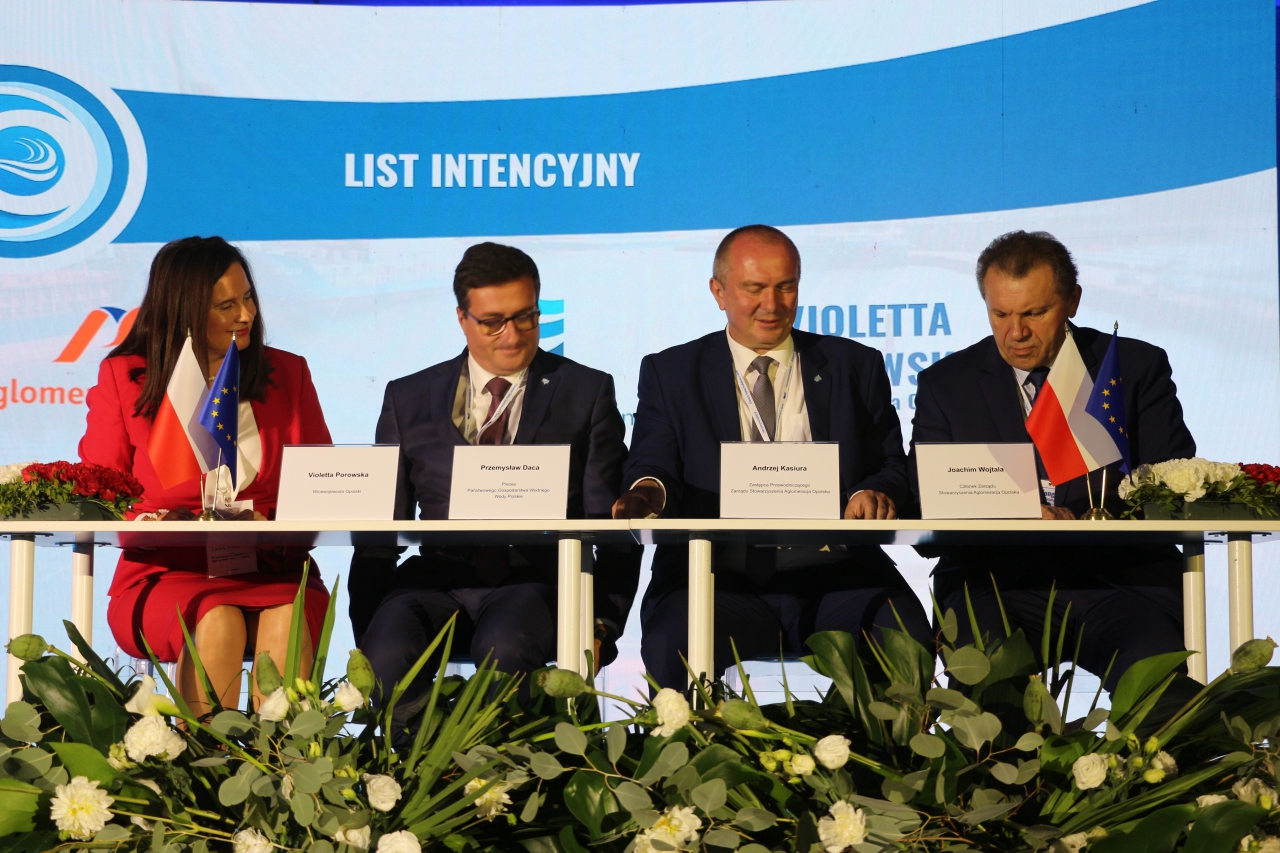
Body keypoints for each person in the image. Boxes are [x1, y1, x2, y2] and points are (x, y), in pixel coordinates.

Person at [614, 224, 932, 689]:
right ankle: (693, 738)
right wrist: (648, 492)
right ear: (718, 292)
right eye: (754, 288)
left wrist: (872, 491)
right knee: (671, 642)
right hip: (716, 577)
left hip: (836, 575)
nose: (772, 304)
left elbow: (890, 464)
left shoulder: (853, 365)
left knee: (908, 640)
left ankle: (877, 738)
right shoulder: (672, 372)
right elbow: (653, 464)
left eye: (786, 287)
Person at [349, 242, 640, 724]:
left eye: (526, 316)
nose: (513, 335)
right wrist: (369, 625)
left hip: (534, 581)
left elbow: (612, 527)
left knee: (505, 645)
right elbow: (378, 532)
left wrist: (603, 624)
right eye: (493, 322)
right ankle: (416, 766)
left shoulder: (585, 392)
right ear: (462, 319)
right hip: (436, 579)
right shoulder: (408, 397)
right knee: (388, 648)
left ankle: (503, 769)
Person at [909, 230, 1195, 689]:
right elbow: (926, 510)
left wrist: (1084, 519)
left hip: (1121, 582)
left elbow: (1171, 487)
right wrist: (1013, 512)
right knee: (988, 697)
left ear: (1073, 301)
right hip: (994, 583)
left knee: (1159, 697)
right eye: (1000, 314)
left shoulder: (1133, 367)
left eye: (1034, 313)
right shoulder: (946, 384)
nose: (1016, 332)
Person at [79, 236, 333, 716]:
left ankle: (285, 758)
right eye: (226, 306)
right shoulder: (125, 377)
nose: (246, 314)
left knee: (288, 616)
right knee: (217, 618)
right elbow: (99, 496)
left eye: (248, 298)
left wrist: (272, 524)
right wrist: (159, 521)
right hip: (166, 574)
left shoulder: (288, 372)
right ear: (185, 311)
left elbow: (322, 487)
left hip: (273, 572)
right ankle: (206, 761)